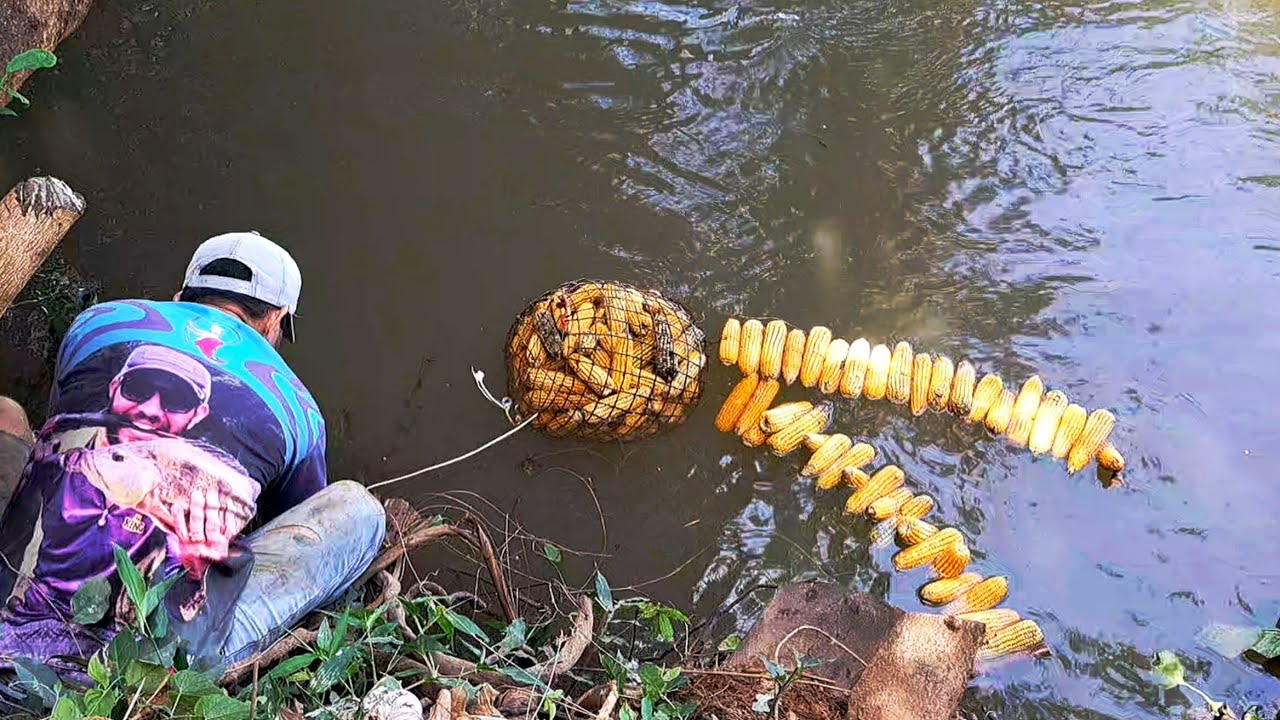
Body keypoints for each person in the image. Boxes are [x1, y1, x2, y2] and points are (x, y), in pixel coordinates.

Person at [0, 231, 385, 677]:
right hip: (144, 670)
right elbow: (296, 519)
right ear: (275, 321)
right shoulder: (297, 406)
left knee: (8, 414)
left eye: (173, 402)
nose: (151, 411)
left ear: (180, 296)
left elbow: (60, 426)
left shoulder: (97, 323)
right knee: (359, 510)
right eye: (140, 391)